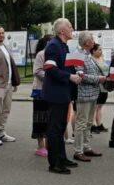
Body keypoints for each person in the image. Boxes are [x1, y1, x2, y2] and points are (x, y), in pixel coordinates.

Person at [42, 18, 82, 174]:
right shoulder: (53, 46)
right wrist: (70, 77)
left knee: (60, 129)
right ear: (61, 31)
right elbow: (49, 68)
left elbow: (64, 66)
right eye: (70, 27)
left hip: (63, 92)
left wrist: (75, 73)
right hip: (55, 94)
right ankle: (55, 164)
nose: (72, 29)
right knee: (55, 129)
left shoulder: (63, 45)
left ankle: (62, 157)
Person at [72, 32, 104, 163]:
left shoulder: (87, 54)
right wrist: (98, 79)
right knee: (81, 123)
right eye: (92, 39)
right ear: (86, 42)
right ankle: (78, 151)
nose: (94, 41)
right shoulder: (77, 54)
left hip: (92, 94)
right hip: (84, 95)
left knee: (89, 123)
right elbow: (80, 75)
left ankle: (86, 147)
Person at [31, 35, 52, 158]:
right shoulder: (41, 54)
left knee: (50, 119)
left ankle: (50, 145)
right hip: (40, 90)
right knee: (40, 118)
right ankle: (40, 146)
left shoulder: (55, 54)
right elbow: (37, 71)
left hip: (52, 91)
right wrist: (51, 78)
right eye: (49, 42)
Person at [92, 44, 109, 133]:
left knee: (100, 106)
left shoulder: (102, 58)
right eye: (99, 50)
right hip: (97, 85)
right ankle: (93, 125)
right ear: (93, 51)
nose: (101, 51)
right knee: (95, 106)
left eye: (101, 49)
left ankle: (99, 124)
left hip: (104, 85)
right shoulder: (91, 60)